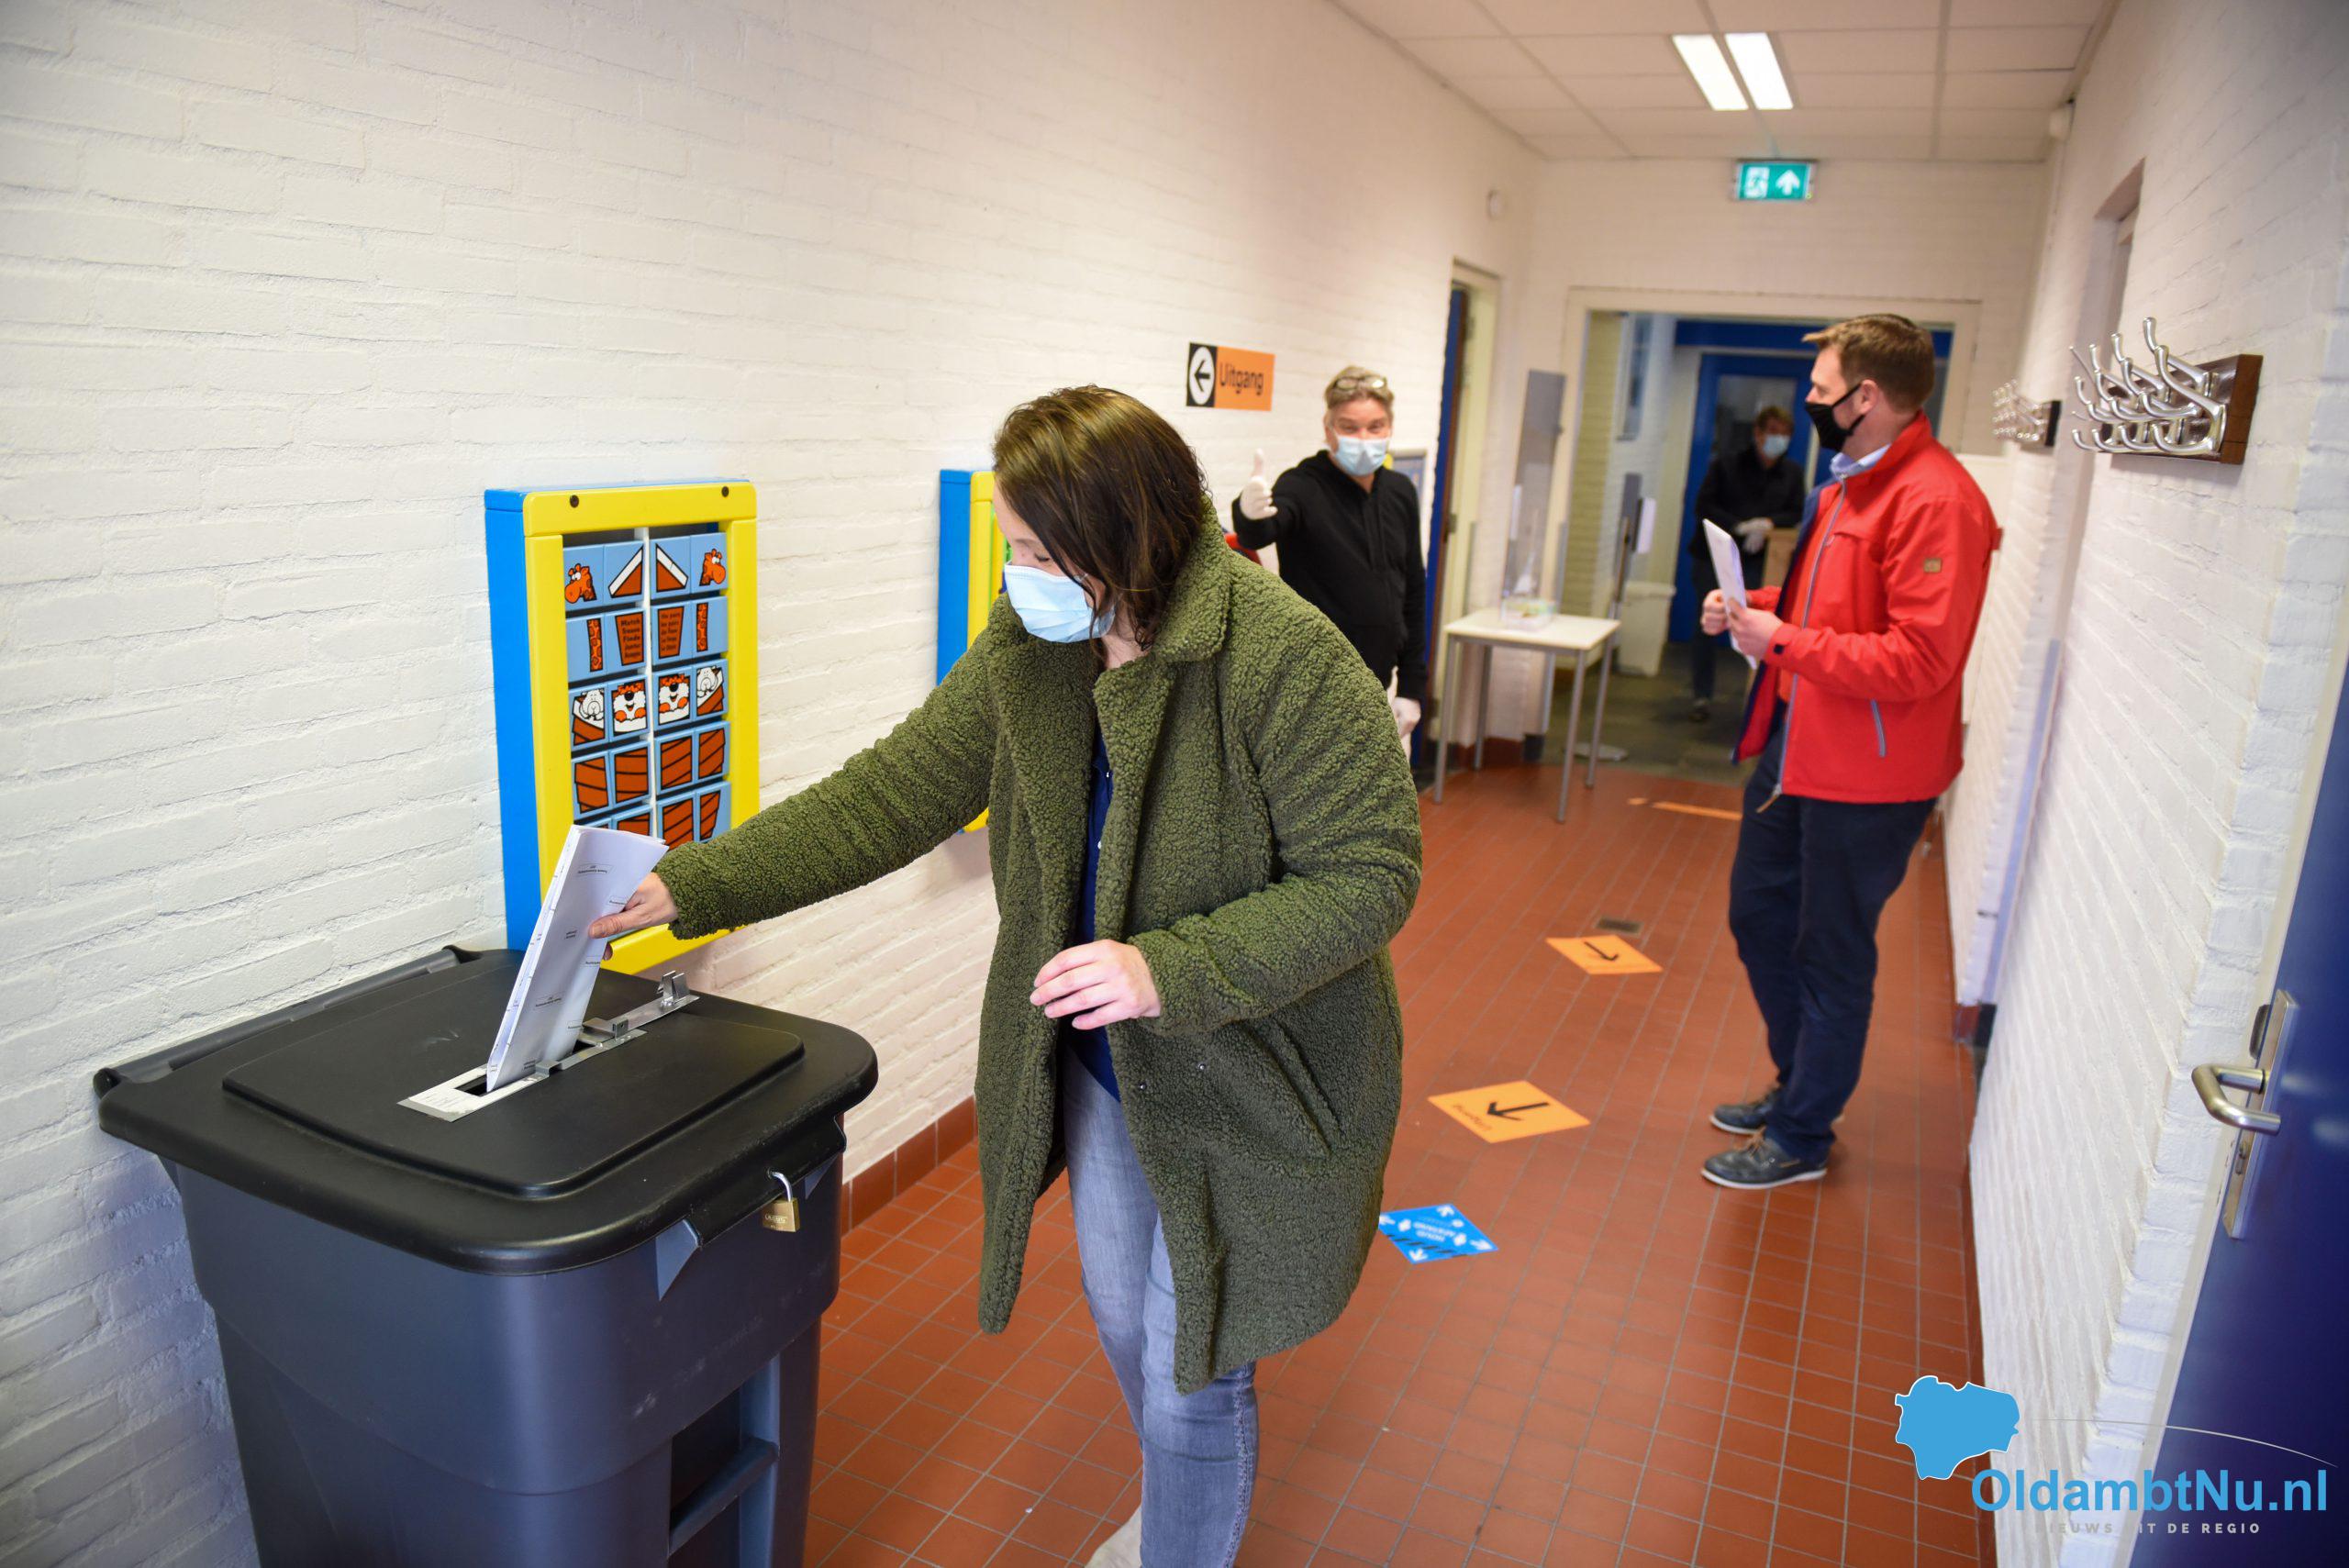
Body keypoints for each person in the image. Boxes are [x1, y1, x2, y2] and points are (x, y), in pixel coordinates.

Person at [588, 386, 1423, 1567]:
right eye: (1010, 544)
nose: (1016, 573)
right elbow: (894, 791)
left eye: (1035, 549)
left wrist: (1168, 965)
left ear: (1121, 536)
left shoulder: (1283, 658)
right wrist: (697, 881)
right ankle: (1179, 1513)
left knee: (1192, 1371)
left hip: (1252, 1069)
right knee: (1128, 1321)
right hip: (1109, 1065)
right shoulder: (1037, 643)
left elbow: (1372, 874)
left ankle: (1180, 1539)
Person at [1698, 315, 1999, 1190]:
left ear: (1867, 397)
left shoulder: (1937, 501)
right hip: (1803, 745)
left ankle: (1801, 1133)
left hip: (1870, 774)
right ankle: (1800, 1082)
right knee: (1759, 915)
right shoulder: (1846, 484)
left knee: (1830, 950)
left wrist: (1783, 641)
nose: (1809, 402)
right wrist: (1753, 606)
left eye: (1821, 390)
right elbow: (1824, 603)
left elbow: (1922, 659)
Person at [1232, 366, 1429, 741]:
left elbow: (1414, 591)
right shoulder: (1302, 485)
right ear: (1328, 429)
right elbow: (1262, 531)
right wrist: (1249, 513)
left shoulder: (1400, 492)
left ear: (1389, 427)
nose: (1364, 438)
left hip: (1379, 686)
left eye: (1375, 427)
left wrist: (1412, 686)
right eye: (1349, 427)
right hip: (1313, 689)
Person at [1685, 405, 1807, 720]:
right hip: (1714, 559)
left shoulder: (1791, 473)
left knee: (1756, 626)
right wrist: (1739, 527)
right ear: (1758, 433)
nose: (1779, 439)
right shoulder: (1727, 465)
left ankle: (1755, 699)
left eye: (1785, 434)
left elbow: (1797, 511)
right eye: (1773, 432)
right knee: (1708, 624)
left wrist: (1767, 524)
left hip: (1758, 561)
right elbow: (1704, 505)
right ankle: (1701, 696)